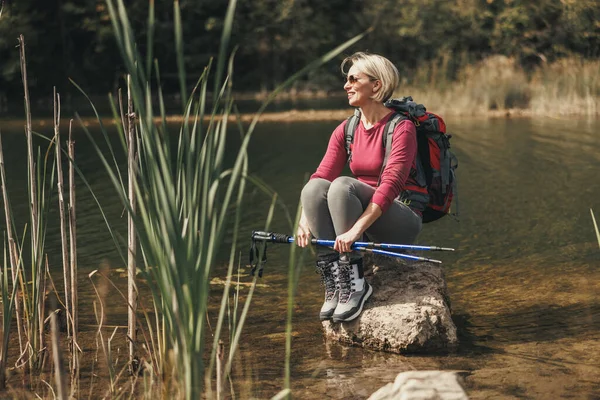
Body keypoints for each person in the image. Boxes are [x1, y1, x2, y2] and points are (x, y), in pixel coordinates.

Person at [296, 52, 425, 323]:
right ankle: (335, 282)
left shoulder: (401, 128)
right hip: (360, 220)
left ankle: (357, 284)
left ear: (376, 86)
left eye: (354, 79)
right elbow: (320, 176)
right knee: (314, 187)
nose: (346, 85)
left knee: (342, 186)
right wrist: (304, 221)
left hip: (399, 217)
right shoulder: (347, 129)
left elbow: (390, 186)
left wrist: (356, 230)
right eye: (346, 79)